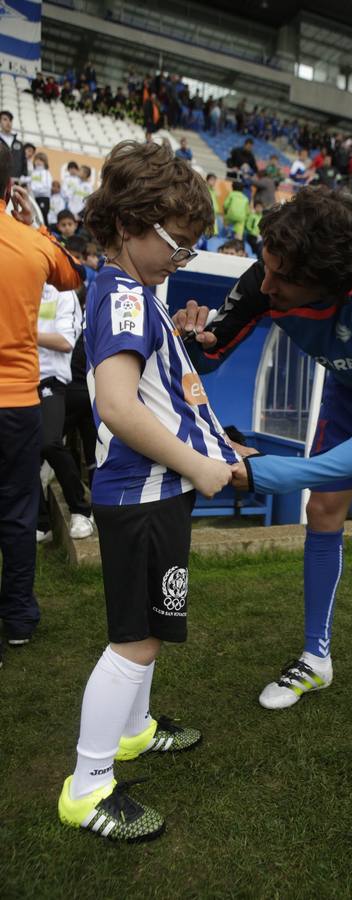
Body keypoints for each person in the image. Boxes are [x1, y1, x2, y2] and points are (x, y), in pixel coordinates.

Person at [178, 186, 352, 750]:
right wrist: (191, 337)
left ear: (327, 280)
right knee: (324, 508)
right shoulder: (271, 270)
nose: (267, 284)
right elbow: (209, 354)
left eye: (282, 278)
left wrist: (267, 474)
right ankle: (315, 657)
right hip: (350, 386)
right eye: (268, 268)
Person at [57, 139, 235, 842]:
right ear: (129, 225)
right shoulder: (126, 297)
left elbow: (162, 393)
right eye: (177, 243)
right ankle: (88, 785)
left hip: (152, 493)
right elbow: (121, 407)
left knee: (149, 635)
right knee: (134, 641)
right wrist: (197, 466)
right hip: (143, 495)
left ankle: (131, 734)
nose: (182, 257)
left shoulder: (135, 292)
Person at [0, 143, 83, 651]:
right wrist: (36, 222)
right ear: (11, 187)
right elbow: (73, 274)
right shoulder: (31, 242)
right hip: (17, 402)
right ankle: (18, 620)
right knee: (16, 508)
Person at [36, 284, 94, 542]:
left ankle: (82, 510)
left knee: (48, 444)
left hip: (62, 386)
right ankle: (41, 524)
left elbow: (65, 342)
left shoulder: (63, 296)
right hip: (24, 382)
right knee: (21, 453)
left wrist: (21, 331)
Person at [29, 152, 52, 225]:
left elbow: (47, 186)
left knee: (43, 217)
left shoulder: (46, 172)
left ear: (45, 162)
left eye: (41, 160)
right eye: (37, 160)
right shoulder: (33, 172)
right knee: (35, 217)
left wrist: (34, 189)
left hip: (43, 198)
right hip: (34, 197)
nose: (38, 162)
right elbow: (30, 181)